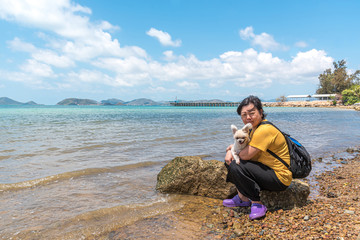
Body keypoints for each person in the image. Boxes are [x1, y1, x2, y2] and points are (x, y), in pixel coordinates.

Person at [223, 95, 292, 220]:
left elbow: (244, 154)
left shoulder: (264, 130)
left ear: (260, 112)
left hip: (279, 177)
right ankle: (242, 198)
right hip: (267, 171)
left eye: (251, 113)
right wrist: (229, 150)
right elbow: (239, 146)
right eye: (244, 115)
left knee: (236, 164)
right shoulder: (253, 129)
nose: (248, 117)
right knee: (234, 161)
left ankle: (256, 203)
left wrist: (231, 152)